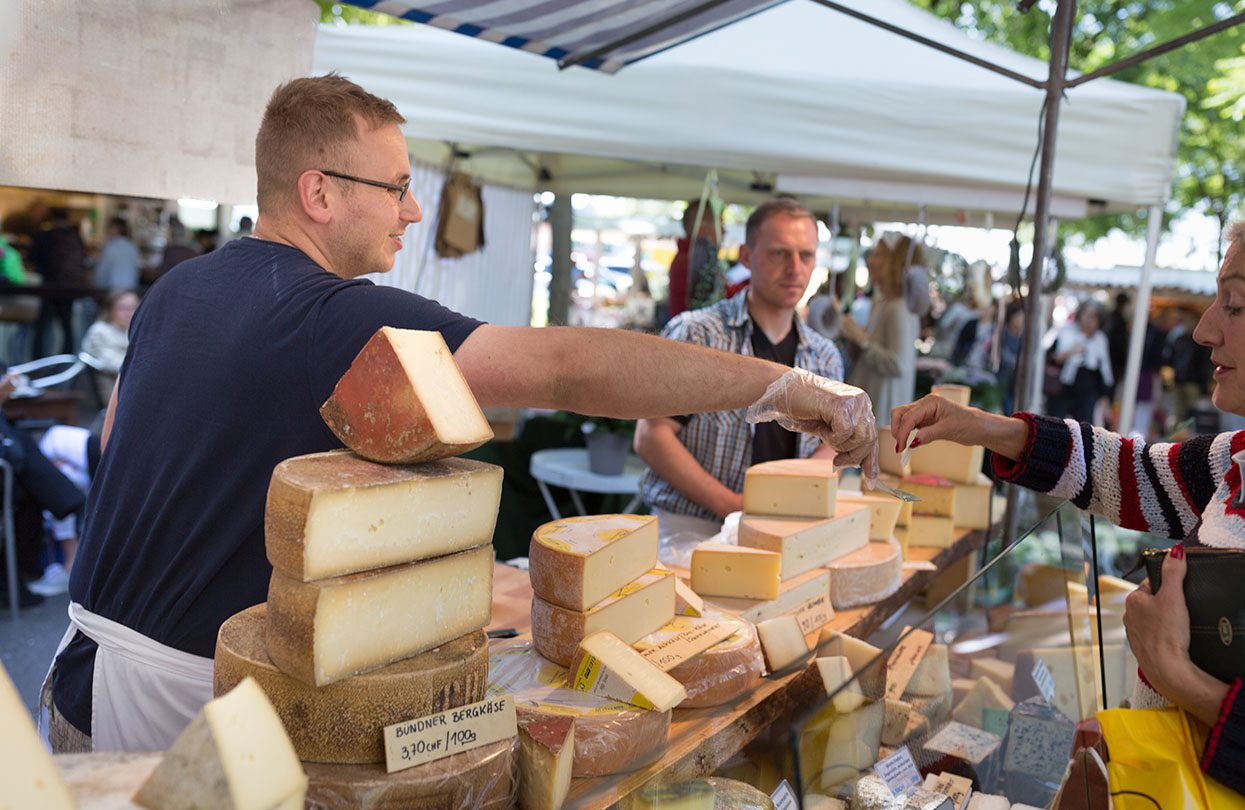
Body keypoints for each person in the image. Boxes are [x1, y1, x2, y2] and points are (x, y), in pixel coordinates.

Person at [46, 75, 878, 753]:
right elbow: (563, 365)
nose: (412, 211)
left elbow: (115, 445)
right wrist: (778, 386)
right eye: (398, 188)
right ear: (319, 193)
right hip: (181, 714)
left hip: (81, 678)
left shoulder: (181, 285)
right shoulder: (332, 315)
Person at [889, 222, 1245, 797]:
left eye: (1235, 303)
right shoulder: (1235, 461)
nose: (1205, 329)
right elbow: (1126, 473)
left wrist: (1174, 670)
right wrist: (982, 428)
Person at [635, 199, 844, 538]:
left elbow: (833, 443)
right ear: (747, 256)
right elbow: (652, 436)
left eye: (805, 255)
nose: (795, 268)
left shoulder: (824, 356)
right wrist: (732, 504)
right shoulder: (698, 333)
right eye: (779, 253)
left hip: (787, 529)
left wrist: (797, 496)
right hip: (692, 529)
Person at [839, 233, 922, 421]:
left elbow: (897, 364)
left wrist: (862, 340)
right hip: (872, 405)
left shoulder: (897, 308)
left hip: (882, 410)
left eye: (878, 255)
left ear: (895, 262)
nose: (870, 261)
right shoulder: (884, 303)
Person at [29, 207, 88, 358]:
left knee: (41, 328)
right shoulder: (75, 236)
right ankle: (66, 360)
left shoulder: (45, 236)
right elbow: (84, 261)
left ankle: (37, 361)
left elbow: (33, 257)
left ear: (52, 219)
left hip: (48, 287)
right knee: (67, 327)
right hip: (68, 289)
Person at [1047, 301, 1113, 424]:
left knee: (1083, 426)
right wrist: (1071, 352)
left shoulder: (1100, 339)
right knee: (1056, 423)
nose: (1089, 320)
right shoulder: (1066, 332)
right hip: (1063, 387)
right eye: (1086, 315)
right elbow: (1052, 357)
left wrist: (1105, 395)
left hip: (1087, 390)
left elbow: (1104, 369)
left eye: (1093, 316)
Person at [665, 201, 722, 321]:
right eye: (719, 225)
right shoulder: (693, 260)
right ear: (702, 228)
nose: (723, 231)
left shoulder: (691, 257)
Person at [80, 290, 138, 402]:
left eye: (134, 308)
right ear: (110, 309)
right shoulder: (100, 331)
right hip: (113, 390)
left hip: (130, 386)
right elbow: (114, 364)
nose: (130, 313)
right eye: (124, 308)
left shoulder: (131, 331)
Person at [93, 218, 140, 292]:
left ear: (116, 229)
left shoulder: (111, 247)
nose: (106, 231)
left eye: (109, 227)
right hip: (130, 291)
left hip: (112, 292)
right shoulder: (132, 247)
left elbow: (101, 275)